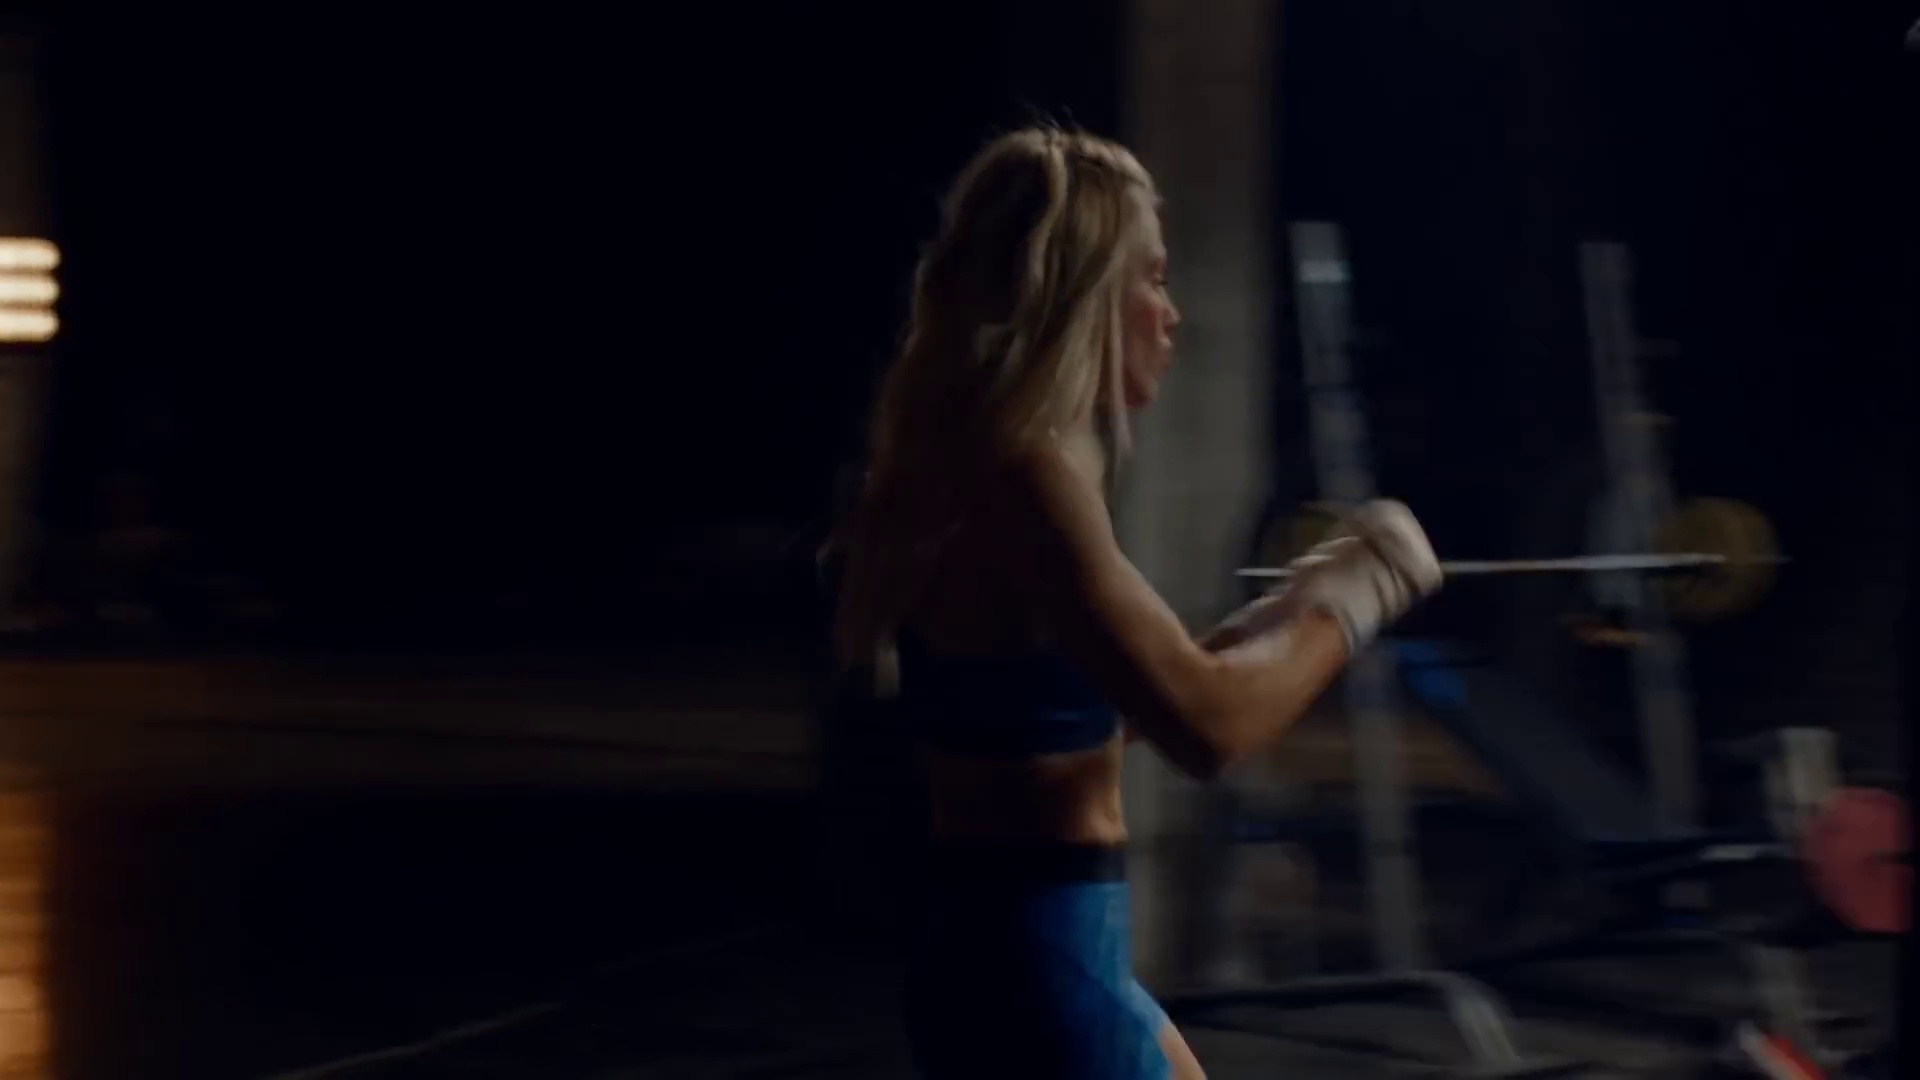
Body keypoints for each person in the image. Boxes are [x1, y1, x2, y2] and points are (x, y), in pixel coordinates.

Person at [828, 125, 1443, 1080]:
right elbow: (1207, 727)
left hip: (1017, 953)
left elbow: (1105, 709)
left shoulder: (975, 463)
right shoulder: (1031, 480)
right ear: (1081, 299)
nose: (1172, 313)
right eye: (1151, 278)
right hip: (1045, 969)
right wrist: (1359, 594)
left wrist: (1288, 611)